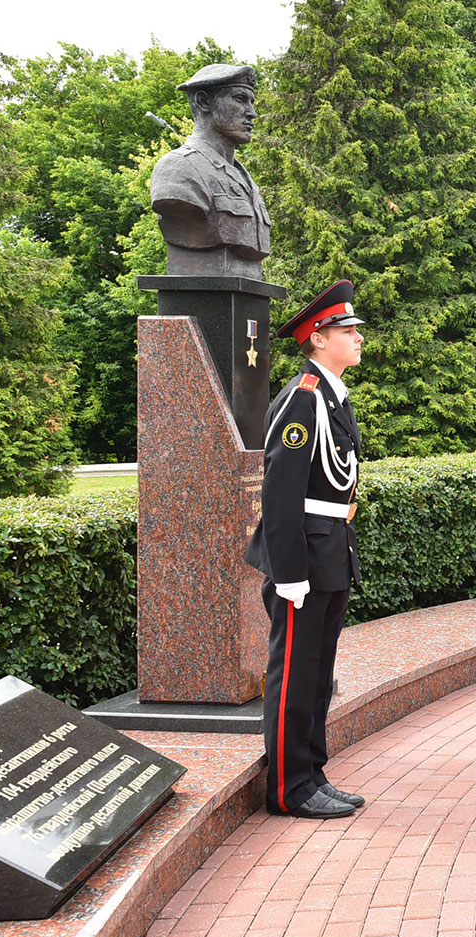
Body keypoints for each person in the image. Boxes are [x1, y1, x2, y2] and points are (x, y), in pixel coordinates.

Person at [243, 280, 366, 819]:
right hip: (305, 560)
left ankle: (312, 772)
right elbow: (281, 493)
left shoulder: (332, 399)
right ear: (318, 338)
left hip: (330, 549)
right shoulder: (303, 400)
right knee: (294, 673)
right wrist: (289, 571)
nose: (358, 338)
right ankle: (288, 788)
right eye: (347, 330)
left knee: (317, 673)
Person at [149, 63, 271, 280]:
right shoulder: (179, 168)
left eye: (252, 102)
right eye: (240, 99)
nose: (252, 113)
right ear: (204, 101)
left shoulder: (246, 180)